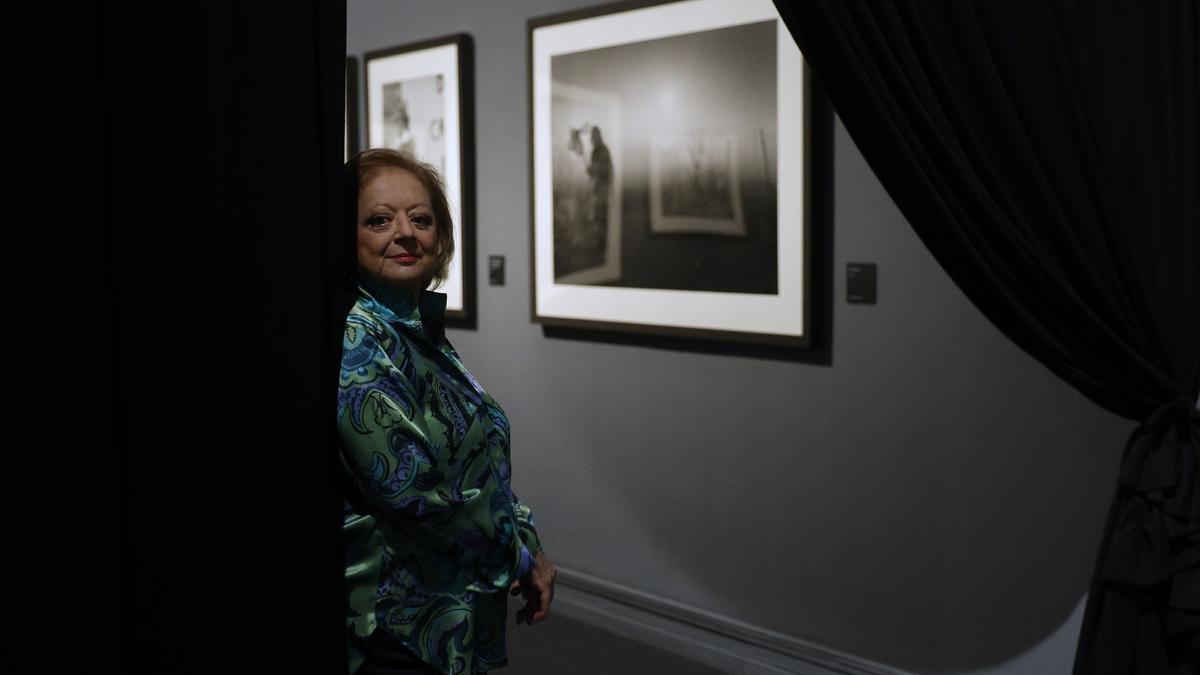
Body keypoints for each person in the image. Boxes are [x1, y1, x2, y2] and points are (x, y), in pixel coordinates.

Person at [338, 148, 556, 675]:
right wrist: (523, 557)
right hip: (398, 625)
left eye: (421, 218)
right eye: (378, 220)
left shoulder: (413, 329)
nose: (406, 233)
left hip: (446, 606)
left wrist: (524, 534)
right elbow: (418, 495)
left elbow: (477, 457)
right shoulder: (358, 341)